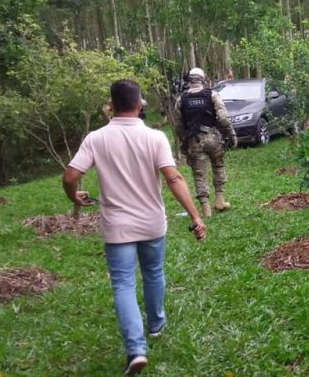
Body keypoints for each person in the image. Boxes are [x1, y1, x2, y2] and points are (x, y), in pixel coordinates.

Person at [62, 79, 207, 375]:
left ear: (110, 106)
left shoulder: (96, 138)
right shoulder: (155, 138)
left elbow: (69, 177)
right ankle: (156, 324)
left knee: (123, 284)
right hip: (152, 223)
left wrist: (73, 196)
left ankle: (136, 350)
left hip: (117, 228)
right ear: (140, 105)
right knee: (154, 273)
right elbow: (174, 179)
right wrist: (196, 216)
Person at [173, 67, 238, 217]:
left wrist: (184, 140)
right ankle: (220, 201)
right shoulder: (213, 95)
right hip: (213, 138)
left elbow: (178, 125)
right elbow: (222, 118)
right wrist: (231, 134)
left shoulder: (181, 99)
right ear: (203, 79)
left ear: (189, 80)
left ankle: (206, 209)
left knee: (199, 174)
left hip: (194, 141)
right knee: (218, 166)